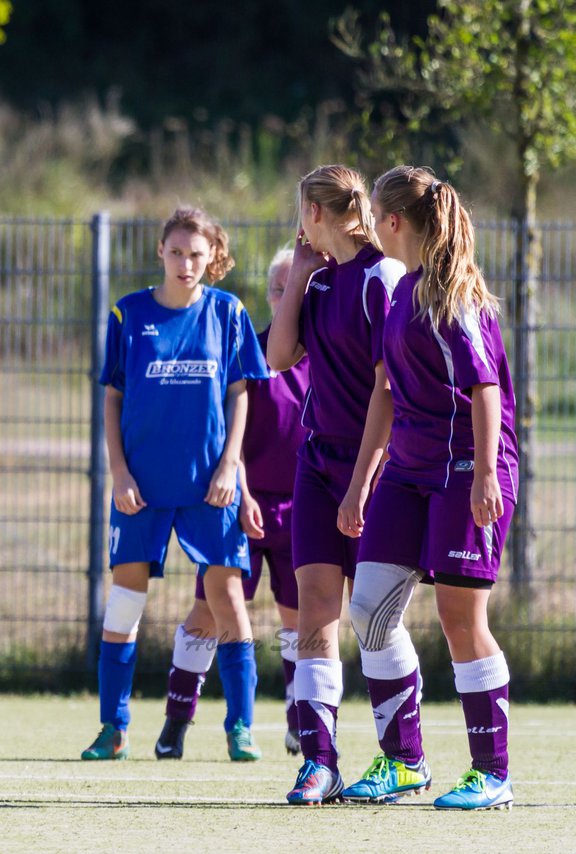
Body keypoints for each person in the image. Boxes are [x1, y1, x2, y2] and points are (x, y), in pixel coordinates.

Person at [340, 167, 517, 810]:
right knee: (370, 608)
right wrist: (361, 483)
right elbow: (384, 392)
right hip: (407, 472)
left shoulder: (454, 297)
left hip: (467, 471)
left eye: (371, 216)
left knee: (459, 619)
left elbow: (485, 388)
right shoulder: (399, 291)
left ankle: (491, 772)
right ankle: (404, 761)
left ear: (392, 223)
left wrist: (487, 477)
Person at [81, 206, 269, 765]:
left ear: (213, 257)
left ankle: (240, 728)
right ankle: (113, 729)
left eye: (196, 254)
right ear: (160, 252)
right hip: (139, 486)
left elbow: (240, 393)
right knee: (123, 607)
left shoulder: (228, 312)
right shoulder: (128, 313)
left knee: (229, 599)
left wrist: (230, 464)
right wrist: (118, 470)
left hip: (209, 486)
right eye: (176, 252)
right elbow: (113, 397)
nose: (185, 263)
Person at [266, 165, 406, 805]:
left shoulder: (383, 278)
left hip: (373, 469)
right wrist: (296, 276)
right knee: (315, 611)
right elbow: (279, 357)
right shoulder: (319, 281)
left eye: (301, 214)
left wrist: (360, 486)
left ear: (317, 214)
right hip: (316, 463)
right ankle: (319, 761)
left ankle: (403, 757)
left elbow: (386, 390)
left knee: (373, 616)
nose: (298, 227)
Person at [237, 248, 309, 756]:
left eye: (298, 288)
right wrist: (239, 491)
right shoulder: (251, 352)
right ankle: (180, 719)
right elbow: (231, 435)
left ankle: (297, 717)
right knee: (216, 607)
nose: (289, 298)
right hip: (246, 505)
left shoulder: (327, 354)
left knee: (297, 618)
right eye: (280, 290)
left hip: (304, 507)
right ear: (269, 295)